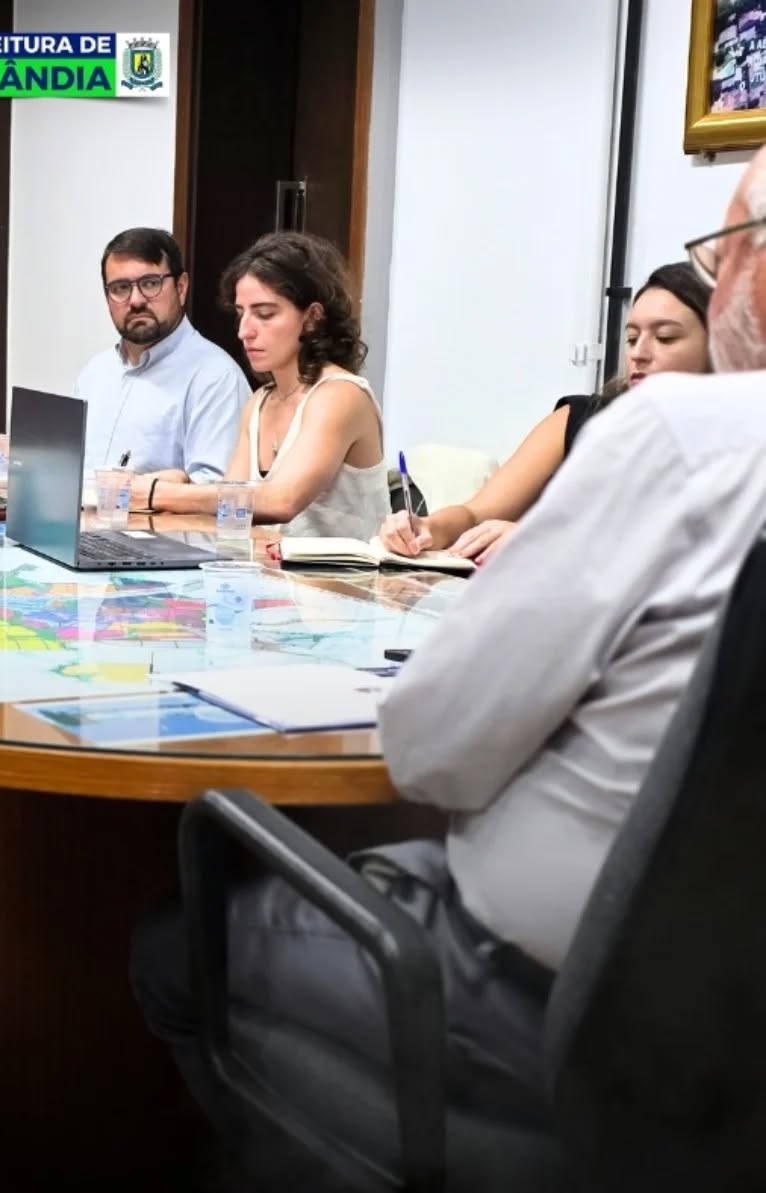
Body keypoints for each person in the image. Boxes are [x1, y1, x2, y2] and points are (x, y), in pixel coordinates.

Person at [131, 145, 766, 1192]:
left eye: (723, 253)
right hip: (725, 1036)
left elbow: (428, 748)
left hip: (551, 1004)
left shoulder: (686, 435)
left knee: (172, 946)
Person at [378, 262, 712, 563]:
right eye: (632, 338)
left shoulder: (730, 447)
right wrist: (428, 527)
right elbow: (475, 514)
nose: (639, 353)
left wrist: (538, 541)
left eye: (665, 338)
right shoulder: (581, 419)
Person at [130, 231, 389, 540]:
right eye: (241, 314)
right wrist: (184, 485)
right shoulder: (259, 402)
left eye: (265, 314)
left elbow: (281, 501)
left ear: (312, 318)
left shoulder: (340, 395)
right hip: (266, 568)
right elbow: (231, 510)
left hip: (335, 572)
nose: (244, 331)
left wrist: (159, 494)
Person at [74, 227, 249, 483]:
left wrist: (142, 490)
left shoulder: (216, 378)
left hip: (154, 512)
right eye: (120, 288)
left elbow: (219, 490)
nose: (136, 300)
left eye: (150, 284)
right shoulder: (95, 373)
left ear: (181, 287)